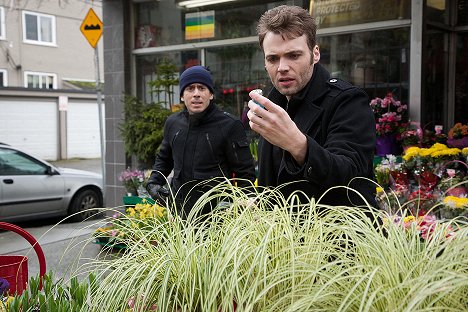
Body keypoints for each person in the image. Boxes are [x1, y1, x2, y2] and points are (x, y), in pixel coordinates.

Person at [247, 5, 377, 208]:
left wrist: (298, 145)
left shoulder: (347, 101)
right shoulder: (272, 104)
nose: (282, 67)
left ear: (315, 54)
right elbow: (273, 181)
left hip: (338, 236)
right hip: (282, 236)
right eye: (273, 58)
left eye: (294, 55)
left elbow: (350, 175)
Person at [146, 65, 256, 218]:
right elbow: (164, 159)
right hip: (180, 213)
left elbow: (245, 174)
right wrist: (153, 183)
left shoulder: (229, 125)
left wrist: (244, 207)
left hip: (217, 217)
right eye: (190, 88)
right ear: (182, 96)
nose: (196, 94)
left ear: (211, 94)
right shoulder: (173, 123)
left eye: (202, 88)